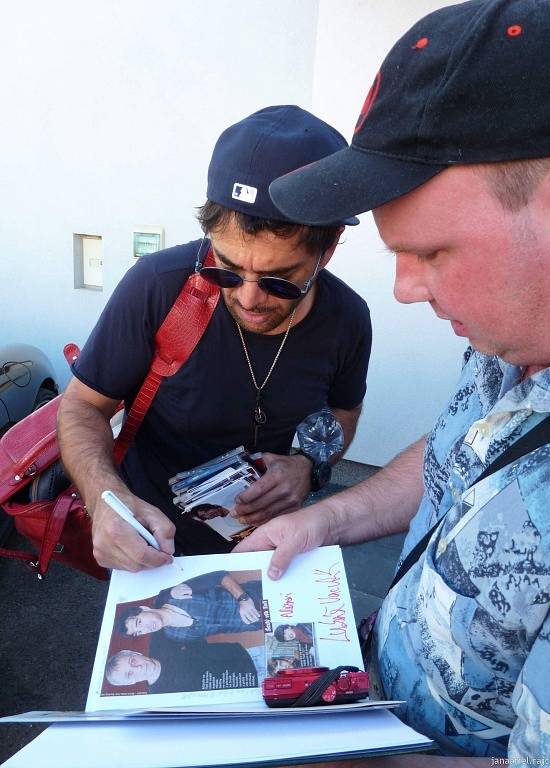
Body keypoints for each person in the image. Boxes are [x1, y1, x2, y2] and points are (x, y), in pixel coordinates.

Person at [236, 0, 550, 760]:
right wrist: (325, 522)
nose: (403, 290)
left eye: (431, 251)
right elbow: (465, 456)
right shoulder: (513, 334)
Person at [57, 105, 372, 571]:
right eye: (226, 267)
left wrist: (309, 467)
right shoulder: (159, 286)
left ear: (327, 250)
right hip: (152, 545)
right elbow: (82, 406)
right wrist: (108, 501)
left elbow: (342, 412)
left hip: (272, 549)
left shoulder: (348, 318)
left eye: (279, 279)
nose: (249, 298)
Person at [117, 570, 262, 641]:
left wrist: (243, 599)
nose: (145, 628)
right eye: (139, 631)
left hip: (257, 596)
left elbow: (220, 575)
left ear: (144, 609)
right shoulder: (174, 636)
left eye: (139, 622)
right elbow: (220, 629)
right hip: (259, 623)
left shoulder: (177, 594)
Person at [104, 640, 257, 693]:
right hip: (253, 688)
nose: (138, 668)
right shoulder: (160, 699)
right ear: (130, 683)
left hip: (248, 655)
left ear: (135, 652)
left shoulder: (161, 642)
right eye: (129, 675)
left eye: (132, 661)